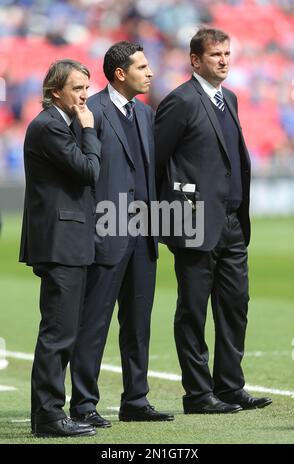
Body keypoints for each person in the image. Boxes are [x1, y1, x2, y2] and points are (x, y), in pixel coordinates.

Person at [155, 28, 272, 414]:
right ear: (195, 60)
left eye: (226, 53)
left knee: (236, 305)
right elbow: (156, 162)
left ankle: (229, 386)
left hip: (233, 223)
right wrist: (171, 214)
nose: (223, 60)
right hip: (193, 222)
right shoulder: (180, 101)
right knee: (193, 310)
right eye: (215, 55)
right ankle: (197, 394)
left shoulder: (231, 99)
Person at [69, 41, 174, 425]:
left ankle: (136, 400)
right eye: (142, 67)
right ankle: (83, 404)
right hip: (106, 234)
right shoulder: (89, 111)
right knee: (93, 323)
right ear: (119, 73)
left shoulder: (146, 114)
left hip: (143, 234)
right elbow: (82, 176)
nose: (150, 72)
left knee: (137, 324)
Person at [19, 59, 101, 437]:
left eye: (86, 88)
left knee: (63, 329)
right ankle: (49, 415)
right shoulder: (50, 126)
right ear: (56, 92)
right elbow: (87, 170)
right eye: (77, 89)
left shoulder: (57, 124)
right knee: (58, 332)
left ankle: (52, 411)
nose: (84, 96)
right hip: (60, 242)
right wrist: (89, 131)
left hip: (69, 240)